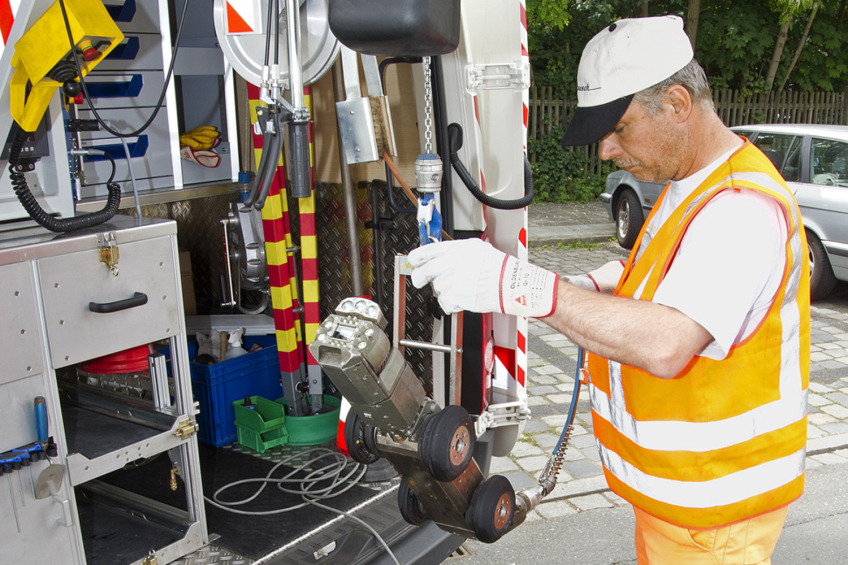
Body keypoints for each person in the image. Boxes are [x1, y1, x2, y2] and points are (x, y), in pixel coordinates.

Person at [408, 15, 809, 565]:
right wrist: (587, 287)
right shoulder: (690, 183)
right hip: (682, 503)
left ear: (676, 103)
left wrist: (522, 284)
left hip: (716, 515)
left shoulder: (739, 208)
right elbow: (664, 279)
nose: (606, 150)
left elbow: (668, 341)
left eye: (619, 128)